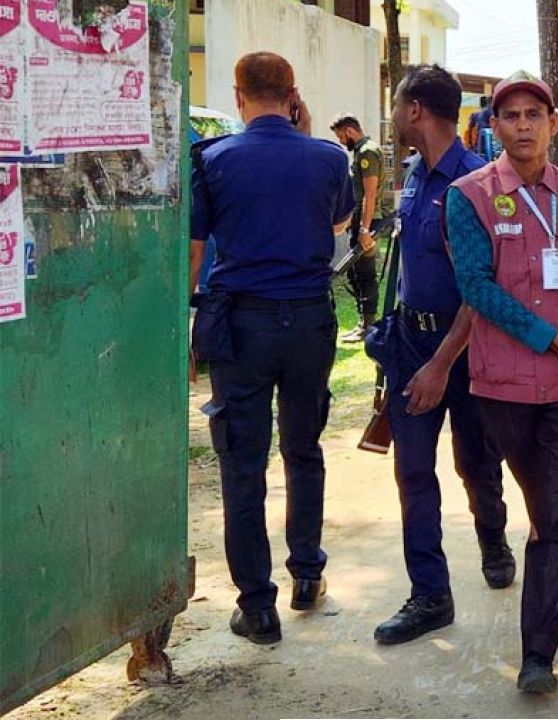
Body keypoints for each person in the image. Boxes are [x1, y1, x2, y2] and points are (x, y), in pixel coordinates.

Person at [189, 52, 355, 645]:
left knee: (243, 462)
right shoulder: (331, 158)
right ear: (292, 94)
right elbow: (335, 225)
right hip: (310, 322)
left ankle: (258, 607)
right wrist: (305, 135)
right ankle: (307, 575)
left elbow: (194, 250)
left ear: (238, 96)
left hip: (242, 326)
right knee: (304, 448)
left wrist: (188, 326)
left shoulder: (211, 161)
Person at [446, 71, 558, 695]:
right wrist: (551, 338)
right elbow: (476, 288)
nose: (522, 125)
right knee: (548, 508)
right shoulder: (469, 197)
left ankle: (536, 655)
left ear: (552, 123)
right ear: (494, 126)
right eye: (508, 115)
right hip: (505, 385)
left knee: (554, 516)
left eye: (532, 114)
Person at [366, 64, 516, 647]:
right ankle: (431, 594)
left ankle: (493, 537)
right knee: (413, 471)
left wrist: (442, 363)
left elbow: (482, 289)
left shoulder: (479, 183)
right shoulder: (408, 176)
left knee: (477, 462)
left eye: (397, 103)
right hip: (410, 344)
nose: (394, 113)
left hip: (466, 349)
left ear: (416, 111)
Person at [330, 113, 393, 342]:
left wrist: (365, 230)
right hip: (359, 221)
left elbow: (370, 193)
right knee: (356, 273)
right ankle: (364, 322)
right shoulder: (361, 151)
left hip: (368, 221)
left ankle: (368, 325)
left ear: (348, 131)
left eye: (340, 136)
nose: (340, 142)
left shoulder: (367, 152)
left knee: (364, 274)